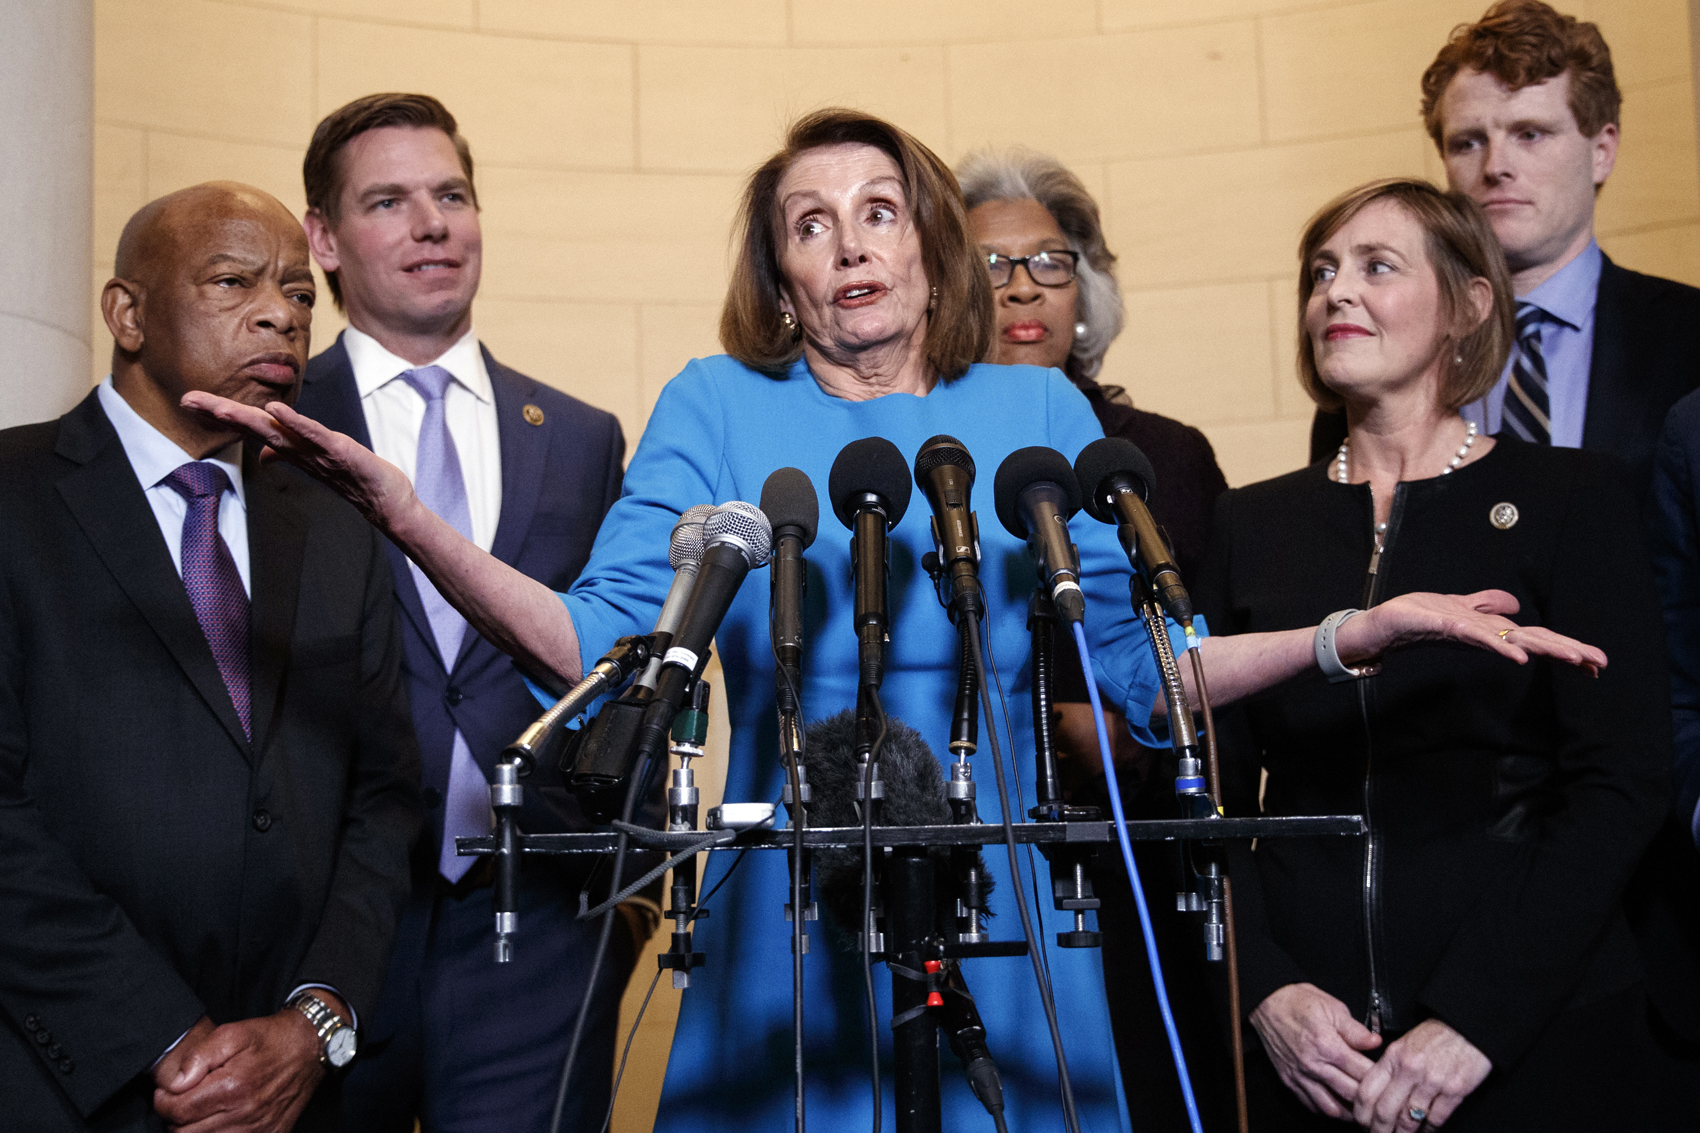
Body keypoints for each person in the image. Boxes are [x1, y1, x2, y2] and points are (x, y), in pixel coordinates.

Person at [186, 112, 1607, 1132]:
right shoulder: (716, 406)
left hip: (1011, 917)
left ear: (929, 243)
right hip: (782, 923)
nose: (847, 243)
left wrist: (1346, 636)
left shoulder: (1037, 413)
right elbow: (601, 645)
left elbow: (1135, 668)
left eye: (877, 210)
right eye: (810, 223)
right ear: (781, 271)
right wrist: (412, 523)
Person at [1208, 178, 1672, 1131]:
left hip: (1536, 1034)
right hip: (1320, 1049)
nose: (1337, 292)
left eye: (1378, 267)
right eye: (1323, 272)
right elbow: (1201, 790)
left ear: (1468, 304)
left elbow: (1621, 781)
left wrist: (1476, 1016)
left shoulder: (1574, 496)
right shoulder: (1247, 522)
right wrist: (1264, 987)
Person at [0, 182, 421, 1132]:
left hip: (301, 1089)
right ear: (129, 312)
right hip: (64, 1079)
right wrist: (158, 1035)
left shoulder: (340, 527)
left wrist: (316, 1023)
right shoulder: (12, 496)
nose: (281, 313)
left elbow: (386, 794)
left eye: (301, 294)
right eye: (233, 281)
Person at [287, 93, 646, 1133]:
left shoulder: (580, 435)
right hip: (321, 931)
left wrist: (629, 897)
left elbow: (614, 655)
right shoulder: (274, 424)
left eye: (451, 194)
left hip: (536, 929)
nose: (431, 223)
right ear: (324, 239)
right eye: (388, 200)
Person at [960, 147, 1233, 1130]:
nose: (1022, 286)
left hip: (1146, 852)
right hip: (983, 848)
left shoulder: (1162, 453)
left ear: (1090, 288)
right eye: (989, 265)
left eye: (1051, 260)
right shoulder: (924, 455)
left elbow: (1206, 635)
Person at [1308, 0, 1700, 498]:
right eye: (1468, 142)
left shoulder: (1689, 337)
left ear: (1602, 151)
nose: (1496, 166)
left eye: (1529, 134)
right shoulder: (1375, 357)